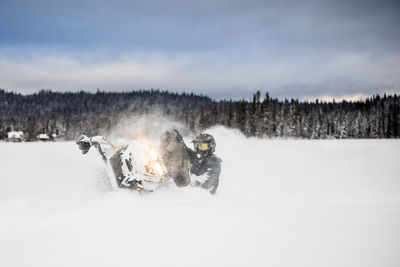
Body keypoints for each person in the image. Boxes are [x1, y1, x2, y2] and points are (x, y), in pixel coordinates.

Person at [173, 130, 222, 194]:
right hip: (190, 194)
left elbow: (207, 185)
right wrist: (181, 142)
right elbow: (188, 153)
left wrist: (186, 185)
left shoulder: (213, 162)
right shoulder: (199, 157)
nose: (199, 149)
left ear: (210, 147)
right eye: (196, 146)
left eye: (202, 147)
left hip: (205, 198)